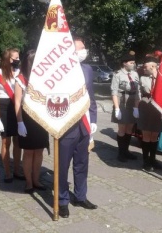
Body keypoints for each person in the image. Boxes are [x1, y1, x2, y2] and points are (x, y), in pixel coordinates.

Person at [57, 37, 98, 218]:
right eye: (80, 49)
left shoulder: (88, 69)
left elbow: (91, 95)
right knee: (62, 166)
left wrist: (94, 118)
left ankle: (80, 196)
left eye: (84, 48)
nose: (84, 51)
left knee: (82, 164)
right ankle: (62, 200)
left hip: (85, 124)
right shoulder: (60, 71)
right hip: (66, 126)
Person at [14, 50, 49, 194]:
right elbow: (17, 102)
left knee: (39, 151)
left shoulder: (45, 78)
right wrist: (20, 122)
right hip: (27, 119)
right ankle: (28, 182)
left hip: (41, 119)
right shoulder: (21, 79)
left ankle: (36, 179)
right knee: (28, 152)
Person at [0, 48, 24, 183]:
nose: (17, 60)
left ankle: (17, 170)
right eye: (14, 58)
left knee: (18, 141)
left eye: (18, 57)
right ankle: (7, 171)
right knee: (6, 141)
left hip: (17, 108)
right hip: (4, 107)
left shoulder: (19, 72)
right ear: (7, 59)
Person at [111, 51, 140, 162]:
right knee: (122, 128)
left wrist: (137, 107)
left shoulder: (135, 74)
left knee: (130, 128)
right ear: (124, 63)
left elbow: (138, 91)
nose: (133, 64)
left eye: (134, 62)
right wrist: (117, 108)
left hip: (132, 102)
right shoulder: (117, 74)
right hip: (122, 101)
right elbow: (114, 92)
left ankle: (126, 151)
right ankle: (121, 152)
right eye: (131, 62)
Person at [138, 56, 162, 171]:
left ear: (154, 66)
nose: (144, 68)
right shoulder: (143, 78)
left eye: (147, 66)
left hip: (158, 107)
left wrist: (156, 76)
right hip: (146, 106)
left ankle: (153, 159)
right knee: (146, 135)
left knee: (154, 136)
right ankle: (146, 160)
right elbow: (141, 93)